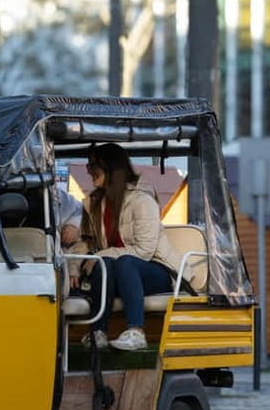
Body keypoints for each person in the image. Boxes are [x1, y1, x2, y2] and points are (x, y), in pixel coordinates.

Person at [69, 143, 187, 351]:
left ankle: (136, 332)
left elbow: (145, 250)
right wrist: (74, 267)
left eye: (94, 166)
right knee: (103, 264)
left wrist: (102, 254)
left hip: (156, 268)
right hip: (117, 269)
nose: (89, 171)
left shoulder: (142, 200)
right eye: (88, 166)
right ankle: (98, 332)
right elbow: (84, 242)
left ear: (112, 167)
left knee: (120, 262)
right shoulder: (93, 204)